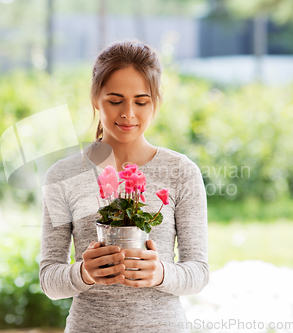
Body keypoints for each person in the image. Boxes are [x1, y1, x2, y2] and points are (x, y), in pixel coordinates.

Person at [39, 39, 209, 333]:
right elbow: (49, 280)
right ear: (96, 99)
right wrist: (83, 272)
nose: (128, 113)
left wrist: (160, 273)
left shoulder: (181, 172)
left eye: (141, 101)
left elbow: (199, 272)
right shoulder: (62, 176)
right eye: (115, 101)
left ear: (155, 101)